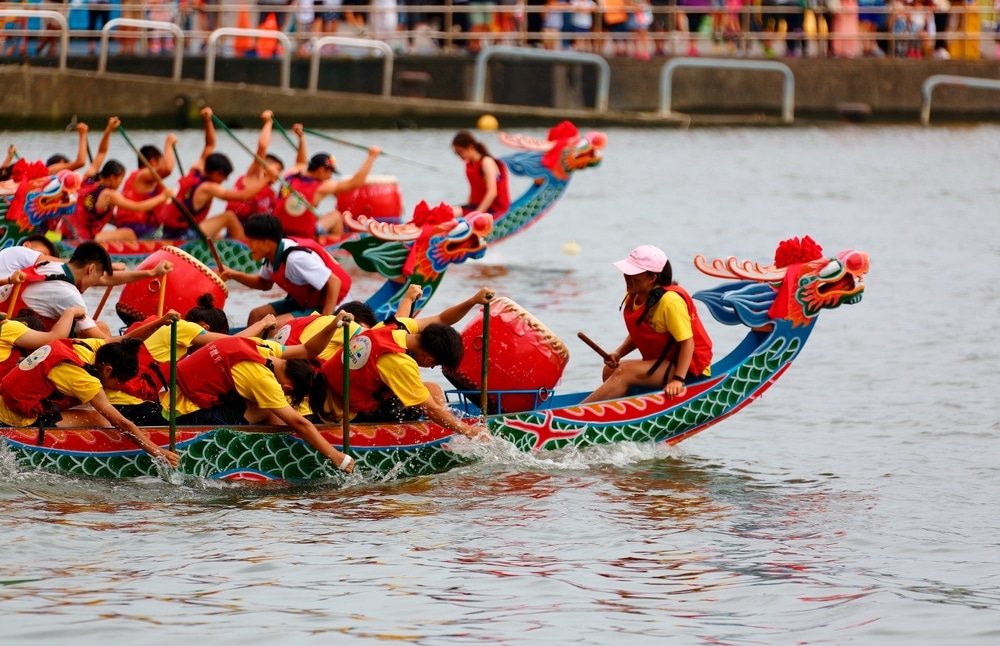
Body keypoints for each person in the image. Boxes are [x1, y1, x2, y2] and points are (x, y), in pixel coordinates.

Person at [163, 316, 356, 473]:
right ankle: (278, 445)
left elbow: (308, 349)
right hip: (182, 416)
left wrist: (334, 324)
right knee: (263, 408)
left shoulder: (263, 347)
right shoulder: (263, 380)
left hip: (171, 400)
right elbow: (299, 423)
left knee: (265, 404)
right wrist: (336, 457)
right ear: (287, 388)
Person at [312, 291, 495, 438]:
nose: (431, 368)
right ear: (429, 359)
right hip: (341, 412)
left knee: (431, 390)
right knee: (432, 398)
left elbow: (441, 319)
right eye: (434, 366)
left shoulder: (397, 328)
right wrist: (470, 431)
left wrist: (472, 301)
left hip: (323, 393)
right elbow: (430, 408)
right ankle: (441, 436)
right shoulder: (399, 362)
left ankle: (445, 431)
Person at [0, 337, 180, 467]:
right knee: (101, 419)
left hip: (4, 400)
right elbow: (121, 423)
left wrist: (160, 322)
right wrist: (159, 452)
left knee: (87, 403)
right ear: (108, 370)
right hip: (17, 419)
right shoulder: (85, 381)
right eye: (118, 382)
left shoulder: (88, 346)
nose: (118, 386)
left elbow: (125, 339)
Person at [580, 245, 713, 404]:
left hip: (689, 371)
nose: (628, 277)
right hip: (665, 363)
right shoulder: (634, 294)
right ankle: (623, 411)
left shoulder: (669, 302)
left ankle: (576, 414)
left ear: (652, 278)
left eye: (634, 274)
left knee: (625, 372)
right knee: (610, 370)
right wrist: (618, 353)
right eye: (627, 271)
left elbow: (687, 343)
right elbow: (642, 330)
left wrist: (678, 379)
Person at [155, 107, 269, 240]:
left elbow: (210, 145)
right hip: (183, 235)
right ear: (217, 173)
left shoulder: (196, 169)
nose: (224, 181)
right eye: (224, 177)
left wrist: (207, 121)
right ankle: (248, 251)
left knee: (218, 235)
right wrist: (268, 179)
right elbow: (243, 195)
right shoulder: (209, 187)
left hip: (170, 232)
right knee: (229, 216)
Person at [219, 214, 352, 326]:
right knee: (256, 316)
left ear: (268, 242)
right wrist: (232, 274)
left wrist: (326, 322)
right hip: (304, 301)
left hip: (335, 305)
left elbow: (334, 282)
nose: (249, 246)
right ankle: (250, 352)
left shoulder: (296, 258)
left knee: (275, 326)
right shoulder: (272, 255)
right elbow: (264, 283)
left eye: (252, 241)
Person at [272, 122, 381, 238]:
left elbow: (300, 162)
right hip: (301, 234)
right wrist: (371, 157)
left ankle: (322, 239)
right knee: (336, 216)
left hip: (276, 231)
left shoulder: (290, 174)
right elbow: (355, 182)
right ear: (321, 170)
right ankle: (333, 248)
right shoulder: (322, 187)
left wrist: (301, 138)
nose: (330, 177)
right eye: (330, 172)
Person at [220, 111, 283, 229]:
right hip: (240, 231)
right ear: (264, 166)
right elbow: (262, 147)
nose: (279, 173)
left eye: (280, 170)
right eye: (277, 168)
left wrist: (301, 138)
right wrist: (268, 123)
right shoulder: (254, 176)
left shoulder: (271, 193)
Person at [115, 133, 179, 239]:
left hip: (148, 229)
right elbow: (167, 168)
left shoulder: (154, 183)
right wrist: (169, 143)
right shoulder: (142, 175)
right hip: (136, 229)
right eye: (161, 162)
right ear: (153, 162)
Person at [450, 131, 510, 218]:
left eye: (460, 152)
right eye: (456, 153)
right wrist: (467, 207)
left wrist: (475, 215)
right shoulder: (469, 164)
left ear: (470, 147)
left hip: (494, 208)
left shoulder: (486, 162)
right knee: (446, 211)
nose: (459, 156)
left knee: (450, 214)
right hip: (478, 206)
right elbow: (474, 189)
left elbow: (492, 193)